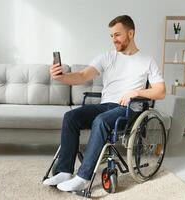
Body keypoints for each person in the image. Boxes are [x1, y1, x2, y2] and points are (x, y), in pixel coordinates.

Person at [43, 15, 166, 192]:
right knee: (70, 117)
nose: (113, 39)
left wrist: (136, 92)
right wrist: (61, 77)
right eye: (111, 36)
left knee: (101, 120)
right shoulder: (107, 57)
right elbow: (83, 76)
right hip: (106, 105)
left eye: (117, 35)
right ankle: (64, 171)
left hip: (129, 108)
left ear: (130, 33)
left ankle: (83, 177)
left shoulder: (147, 60)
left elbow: (160, 91)